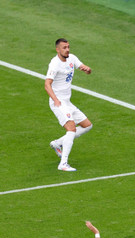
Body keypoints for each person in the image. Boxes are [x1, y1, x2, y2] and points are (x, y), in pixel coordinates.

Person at [44, 38, 93, 172]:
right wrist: (55, 100)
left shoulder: (72, 58)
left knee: (87, 125)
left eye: (68, 47)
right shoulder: (54, 64)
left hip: (67, 102)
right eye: (64, 48)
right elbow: (47, 84)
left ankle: (58, 143)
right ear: (57, 50)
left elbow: (81, 66)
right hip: (58, 102)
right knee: (71, 129)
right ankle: (63, 163)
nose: (67, 50)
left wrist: (86, 69)